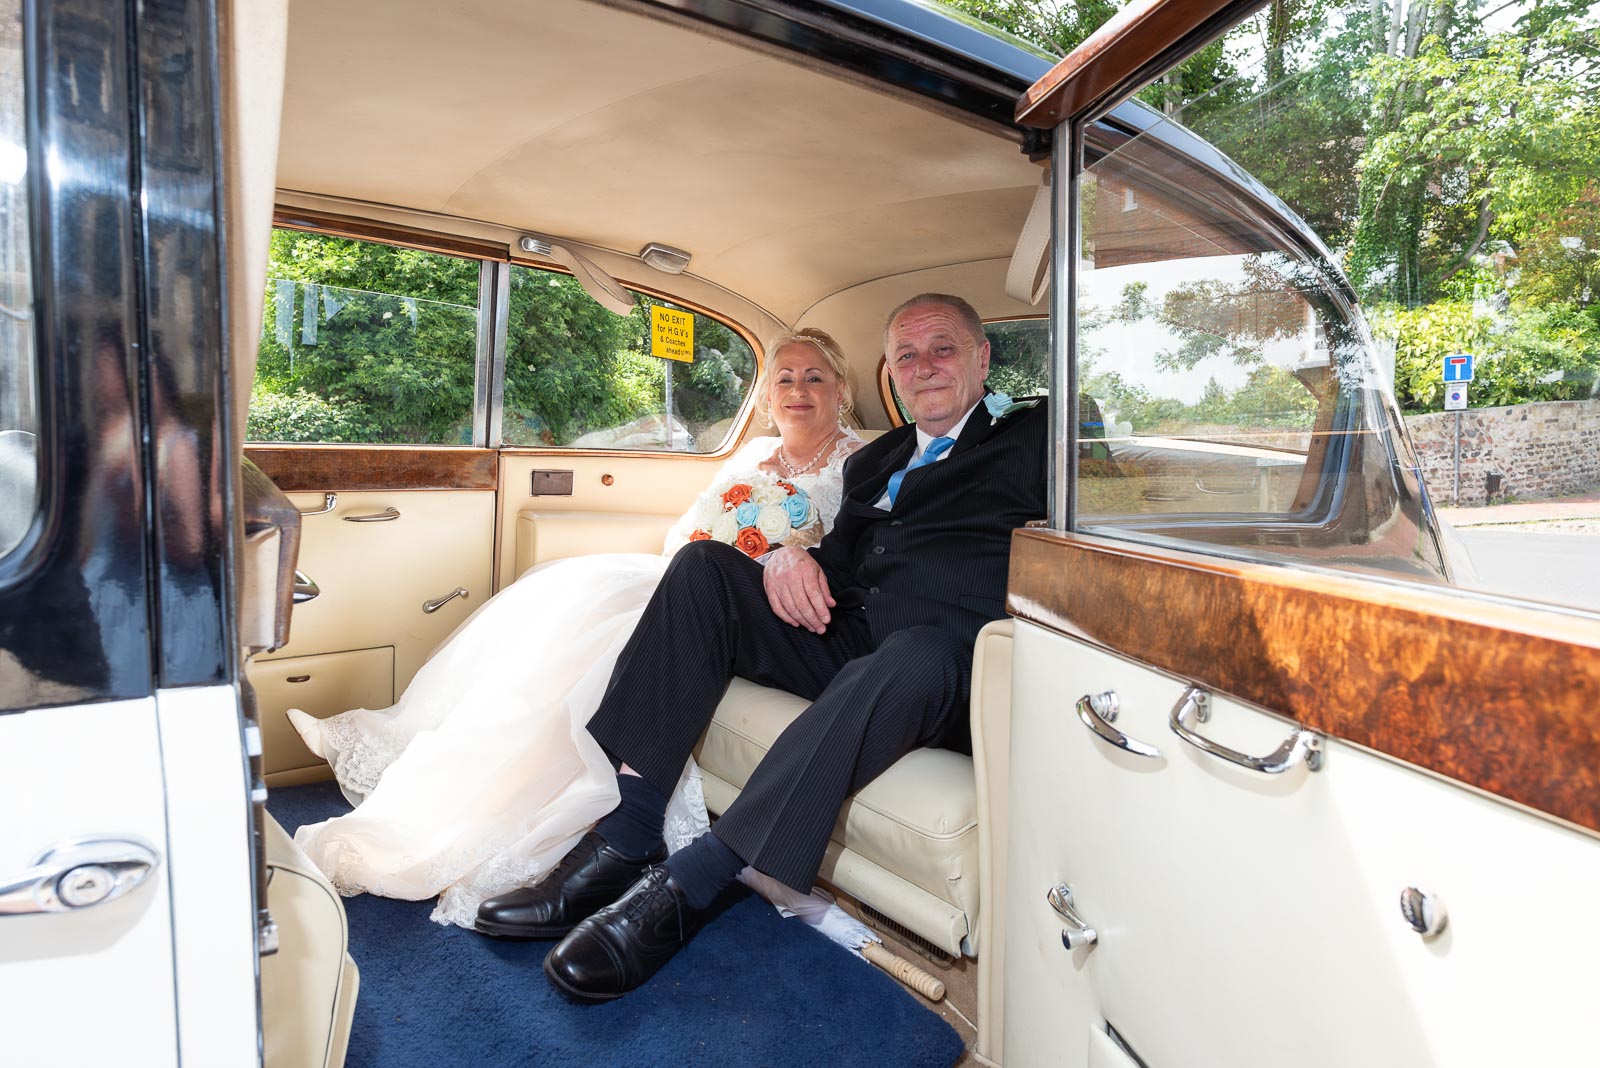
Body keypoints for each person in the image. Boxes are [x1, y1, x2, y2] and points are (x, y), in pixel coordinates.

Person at [477, 293, 1048, 1002]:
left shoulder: (1035, 435)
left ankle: (693, 884)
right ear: (890, 374)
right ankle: (627, 833)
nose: (924, 366)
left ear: (983, 358)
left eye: (943, 349)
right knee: (702, 570)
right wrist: (788, 558)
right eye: (906, 355)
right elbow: (838, 566)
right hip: (854, 637)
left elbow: (1115, 503)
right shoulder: (880, 461)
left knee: (917, 651)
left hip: (951, 663)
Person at [287, 329, 864, 927]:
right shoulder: (748, 457)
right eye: (784, 379)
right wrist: (705, 548)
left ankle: (606, 823)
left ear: (840, 390)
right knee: (572, 593)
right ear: (768, 395)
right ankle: (475, 780)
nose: (798, 390)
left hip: (770, 605)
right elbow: (685, 534)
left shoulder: (860, 464)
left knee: (616, 624)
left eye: (814, 377)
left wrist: (768, 556)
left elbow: (847, 561)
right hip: (696, 577)